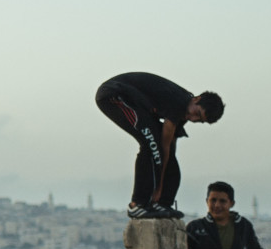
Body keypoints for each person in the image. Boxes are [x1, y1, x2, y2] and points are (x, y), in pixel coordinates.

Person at [95, 72, 225, 219]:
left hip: (137, 102)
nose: (193, 118)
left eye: (199, 120)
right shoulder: (177, 103)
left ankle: (162, 203)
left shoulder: (185, 109)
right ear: (197, 99)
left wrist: (162, 191)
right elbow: (162, 148)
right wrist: (158, 188)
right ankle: (137, 204)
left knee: (164, 151)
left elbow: (169, 149)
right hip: (113, 95)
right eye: (197, 113)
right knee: (150, 145)